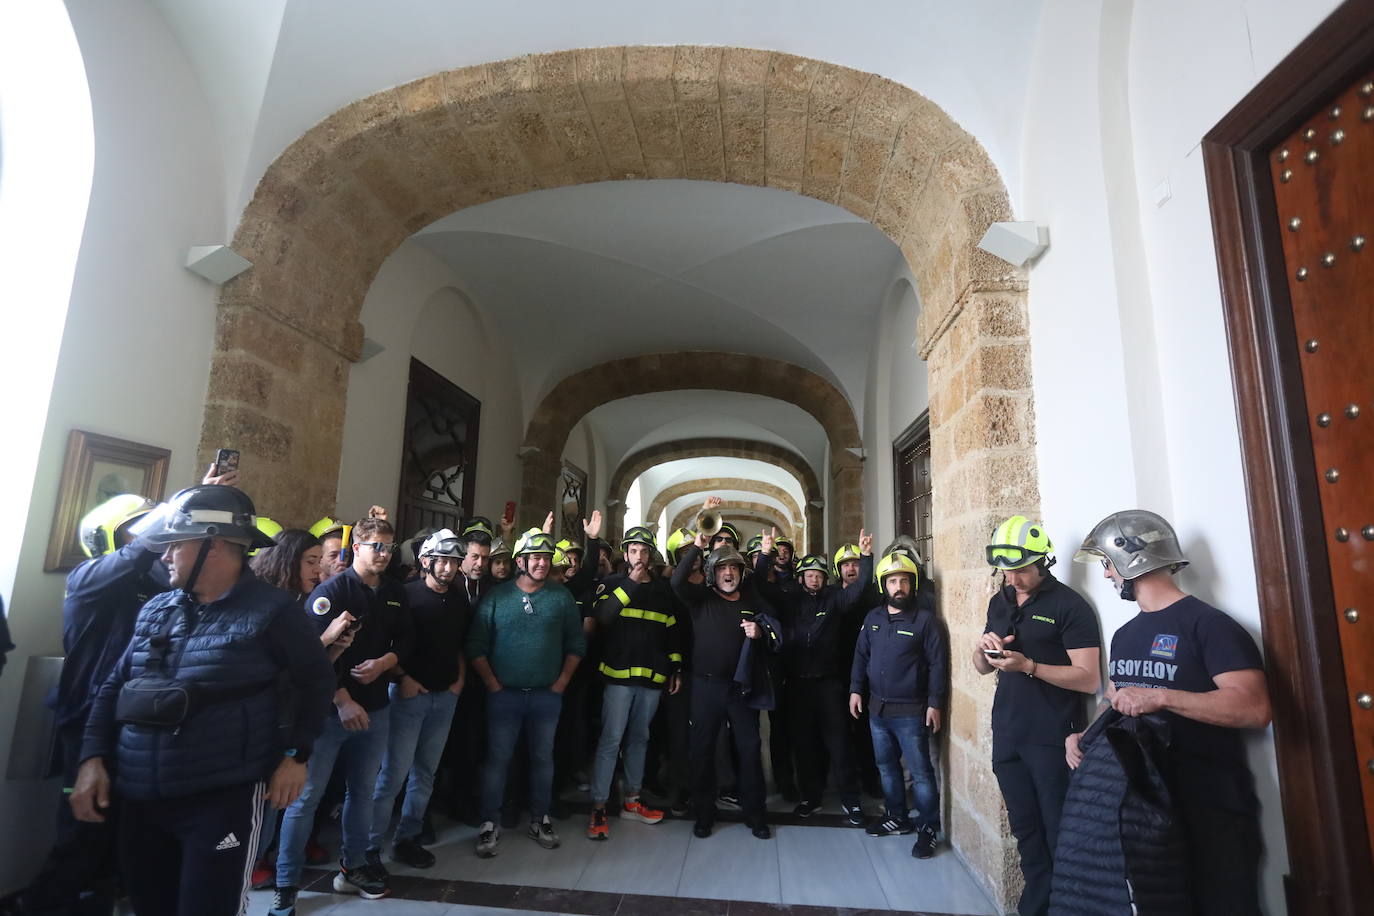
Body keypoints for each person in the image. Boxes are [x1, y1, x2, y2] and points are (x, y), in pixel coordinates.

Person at [69, 485, 336, 916]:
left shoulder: (272, 611)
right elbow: (113, 688)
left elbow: (316, 681)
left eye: (176, 544)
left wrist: (297, 754)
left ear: (212, 546)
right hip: (140, 797)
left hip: (220, 798)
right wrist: (92, 757)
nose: (164, 555)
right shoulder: (156, 609)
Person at [1063, 509, 1270, 914]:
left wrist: (1162, 697)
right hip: (1149, 812)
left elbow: (1254, 707)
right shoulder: (1125, 635)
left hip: (1212, 808)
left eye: (1108, 565)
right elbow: (1114, 697)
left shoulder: (1209, 625)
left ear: (1131, 559)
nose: (1107, 576)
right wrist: (1085, 737)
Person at [274, 514, 414, 912]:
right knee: (306, 798)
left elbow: (407, 637)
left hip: (376, 708)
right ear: (357, 548)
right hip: (330, 713)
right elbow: (311, 655)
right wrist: (341, 699)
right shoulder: (333, 590)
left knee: (363, 793)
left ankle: (354, 867)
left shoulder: (394, 591)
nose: (384, 554)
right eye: (376, 547)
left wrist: (387, 661)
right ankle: (287, 881)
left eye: (389, 547)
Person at [973, 516, 1100, 916]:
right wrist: (983, 649)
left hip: (1052, 738)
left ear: (1043, 560)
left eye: (1021, 570)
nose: (1013, 579)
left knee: (1057, 833)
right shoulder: (1001, 600)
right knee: (1026, 832)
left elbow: (1089, 679)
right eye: (1007, 571)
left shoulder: (1069, 605)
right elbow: (981, 668)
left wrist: (1029, 665)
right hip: (1008, 733)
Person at [466, 528, 586, 857]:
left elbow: (577, 643)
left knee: (543, 759)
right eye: (535, 558)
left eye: (546, 559)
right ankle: (489, 823)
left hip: (546, 696)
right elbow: (476, 646)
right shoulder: (497, 597)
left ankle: (539, 819)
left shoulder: (561, 597)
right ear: (521, 561)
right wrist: (492, 683)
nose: (541, 564)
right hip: (504, 696)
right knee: (497, 761)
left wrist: (561, 682)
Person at [670, 501, 783, 841]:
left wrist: (760, 632)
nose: (729, 573)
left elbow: (774, 623)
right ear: (713, 573)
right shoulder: (700, 598)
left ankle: (755, 814)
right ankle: (704, 814)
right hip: (705, 689)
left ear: (740, 572)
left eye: (733, 568)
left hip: (741, 689)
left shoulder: (751, 598)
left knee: (749, 750)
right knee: (701, 750)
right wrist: (699, 546)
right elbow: (677, 581)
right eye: (722, 569)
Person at [757, 529, 874, 824]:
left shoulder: (834, 600)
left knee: (839, 743)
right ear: (800, 577)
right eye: (809, 574)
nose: (814, 578)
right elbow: (760, 584)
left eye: (819, 575)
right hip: (797, 686)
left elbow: (858, 589)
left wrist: (866, 557)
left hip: (828, 685)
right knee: (804, 744)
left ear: (825, 578)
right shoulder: (789, 601)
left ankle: (851, 801)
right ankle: (811, 797)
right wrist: (765, 554)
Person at [368, 530, 470, 869]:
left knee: (425, 773)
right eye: (443, 560)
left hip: (444, 698)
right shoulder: (404, 596)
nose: (449, 568)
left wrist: (459, 680)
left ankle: (406, 839)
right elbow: (386, 646)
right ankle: (368, 847)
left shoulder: (458, 599)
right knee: (392, 775)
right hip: (408, 697)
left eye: (455, 562)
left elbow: (458, 644)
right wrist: (403, 679)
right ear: (426, 561)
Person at [585, 526, 684, 840]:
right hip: (618, 678)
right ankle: (599, 806)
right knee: (611, 741)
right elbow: (604, 617)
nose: (639, 556)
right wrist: (630, 583)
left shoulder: (663, 590)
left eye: (644, 551)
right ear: (625, 555)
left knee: (640, 739)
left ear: (651, 555)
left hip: (652, 678)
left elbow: (671, 630)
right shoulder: (612, 583)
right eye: (633, 551)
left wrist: (676, 667)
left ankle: (632, 800)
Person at [849, 552, 946, 859]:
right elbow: (861, 656)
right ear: (883, 586)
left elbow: (937, 666)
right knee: (887, 770)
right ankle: (898, 817)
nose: (899, 586)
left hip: (912, 712)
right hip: (878, 711)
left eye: (904, 580)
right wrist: (855, 691)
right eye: (892, 581)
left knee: (920, 773)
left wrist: (935, 703)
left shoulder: (926, 622)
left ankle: (928, 827)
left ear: (913, 584)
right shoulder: (873, 619)